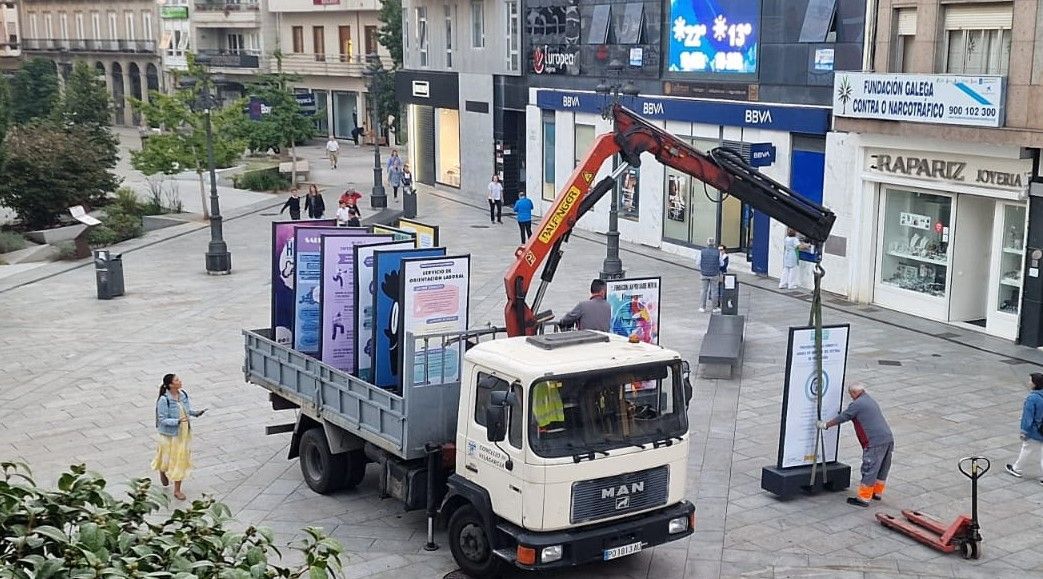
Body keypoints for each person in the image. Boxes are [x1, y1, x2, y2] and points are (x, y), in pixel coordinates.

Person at [818, 383, 894, 507]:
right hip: (887, 438)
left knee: (870, 468)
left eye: (850, 394)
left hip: (874, 441)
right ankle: (877, 492)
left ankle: (863, 498)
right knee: (882, 467)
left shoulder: (857, 404)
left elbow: (843, 417)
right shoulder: (869, 400)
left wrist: (825, 425)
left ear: (853, 393)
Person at [151, 374, 206, 501]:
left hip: (183, 434)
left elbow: (185, 409)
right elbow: (162, 419)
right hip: (169, 435)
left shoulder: (183, 395)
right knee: (166, 458)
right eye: (176, 380)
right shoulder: (164, 400)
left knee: (180, 460)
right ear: (170, 384)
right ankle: (162, 471)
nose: (180, 381)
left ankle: (177, 490)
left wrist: (195, 413)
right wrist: (177, 421)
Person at [1005, 372, 1043, 480]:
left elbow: (1028, 418)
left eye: (1030, 380)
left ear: (1035, 384)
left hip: (1036, 430)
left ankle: (1017, 469)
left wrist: (1024, 432)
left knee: (1027, 448)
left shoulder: (1032, 398)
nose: (1028, 382)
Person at [698, 238, 721, 313]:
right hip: (714, 274)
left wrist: (702, 268)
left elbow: (697, 262)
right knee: (714, 291)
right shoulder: (718, 252)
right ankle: (714, 308)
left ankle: (702, 307)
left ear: (707, 243)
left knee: (703, 290)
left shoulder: (702, 251)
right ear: (714, 244)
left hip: (704, 273)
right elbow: (722, 263)